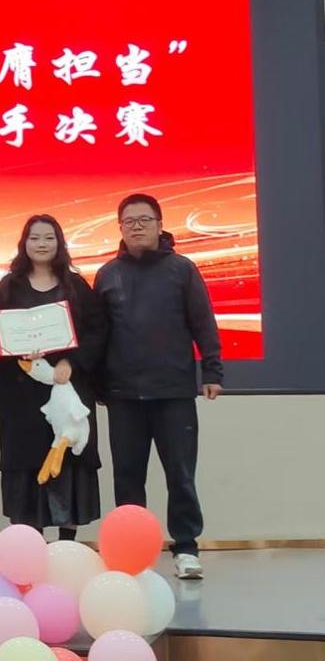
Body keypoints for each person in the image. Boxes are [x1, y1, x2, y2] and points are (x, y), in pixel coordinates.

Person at [94, 193, 223, 580]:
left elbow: (203, 321)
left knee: (180, 475)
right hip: (123, 395)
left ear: (160, 224)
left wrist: (212, 371)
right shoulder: (107, 274)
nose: (136, 227)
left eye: (144, 220)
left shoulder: (182, 270)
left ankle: (186, 548)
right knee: (127, 477)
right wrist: (97, 385)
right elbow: (98, 335)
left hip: (174, 392)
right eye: (129, 221)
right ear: (120, 228)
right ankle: (131, 552)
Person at [0, 214, 107, 540]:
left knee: (69, 456)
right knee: (25, 461)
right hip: (21, 393)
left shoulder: (76, 286)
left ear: (59, 243)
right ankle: (30, 545)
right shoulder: (9, 286)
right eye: (34, 238)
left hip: (67, 387)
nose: (41, 244)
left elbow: (98, 331)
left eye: (49, 238)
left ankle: (67, 545)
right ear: (24, 243)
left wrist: (71, 362)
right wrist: (17, 350)